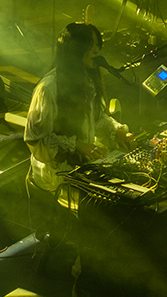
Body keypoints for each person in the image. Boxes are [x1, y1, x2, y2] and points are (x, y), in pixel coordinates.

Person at [24, 22, 135, 202]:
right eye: (91, 45)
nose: (96, 51)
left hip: (81, 165)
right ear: (75, 49)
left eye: (98, 45)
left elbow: (97, 119)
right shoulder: (48, 88)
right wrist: (77, 145)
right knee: (102, 206)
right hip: (54, 174)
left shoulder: (86, 80)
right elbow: (36, 139)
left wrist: (118, 131)